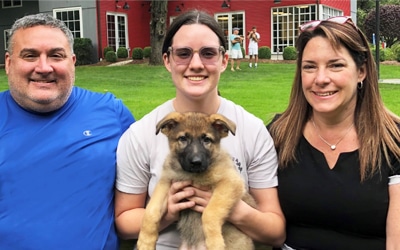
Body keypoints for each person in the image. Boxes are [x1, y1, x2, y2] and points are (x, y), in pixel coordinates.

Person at [115, 9, 286, 249]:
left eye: (208, 53)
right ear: (167, 60)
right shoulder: (140, 134)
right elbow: (124, 221)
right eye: (183, 54)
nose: (196, 64)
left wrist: (228, 209)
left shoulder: (252, 130)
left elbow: (275, 232)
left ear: (224, 60)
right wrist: (169, 212)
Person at [0, 13, 135, 249]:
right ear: (9, 63)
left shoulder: (111, 113)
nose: (44, 67)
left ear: (72, 61)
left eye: (56, 55)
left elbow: (153, 179)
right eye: (30, 55)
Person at [268, 16, 400, 249]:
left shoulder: (394, 140)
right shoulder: (277, 135)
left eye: (335, 65)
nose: (320, 79)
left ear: (361, 72)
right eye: (310, 67)